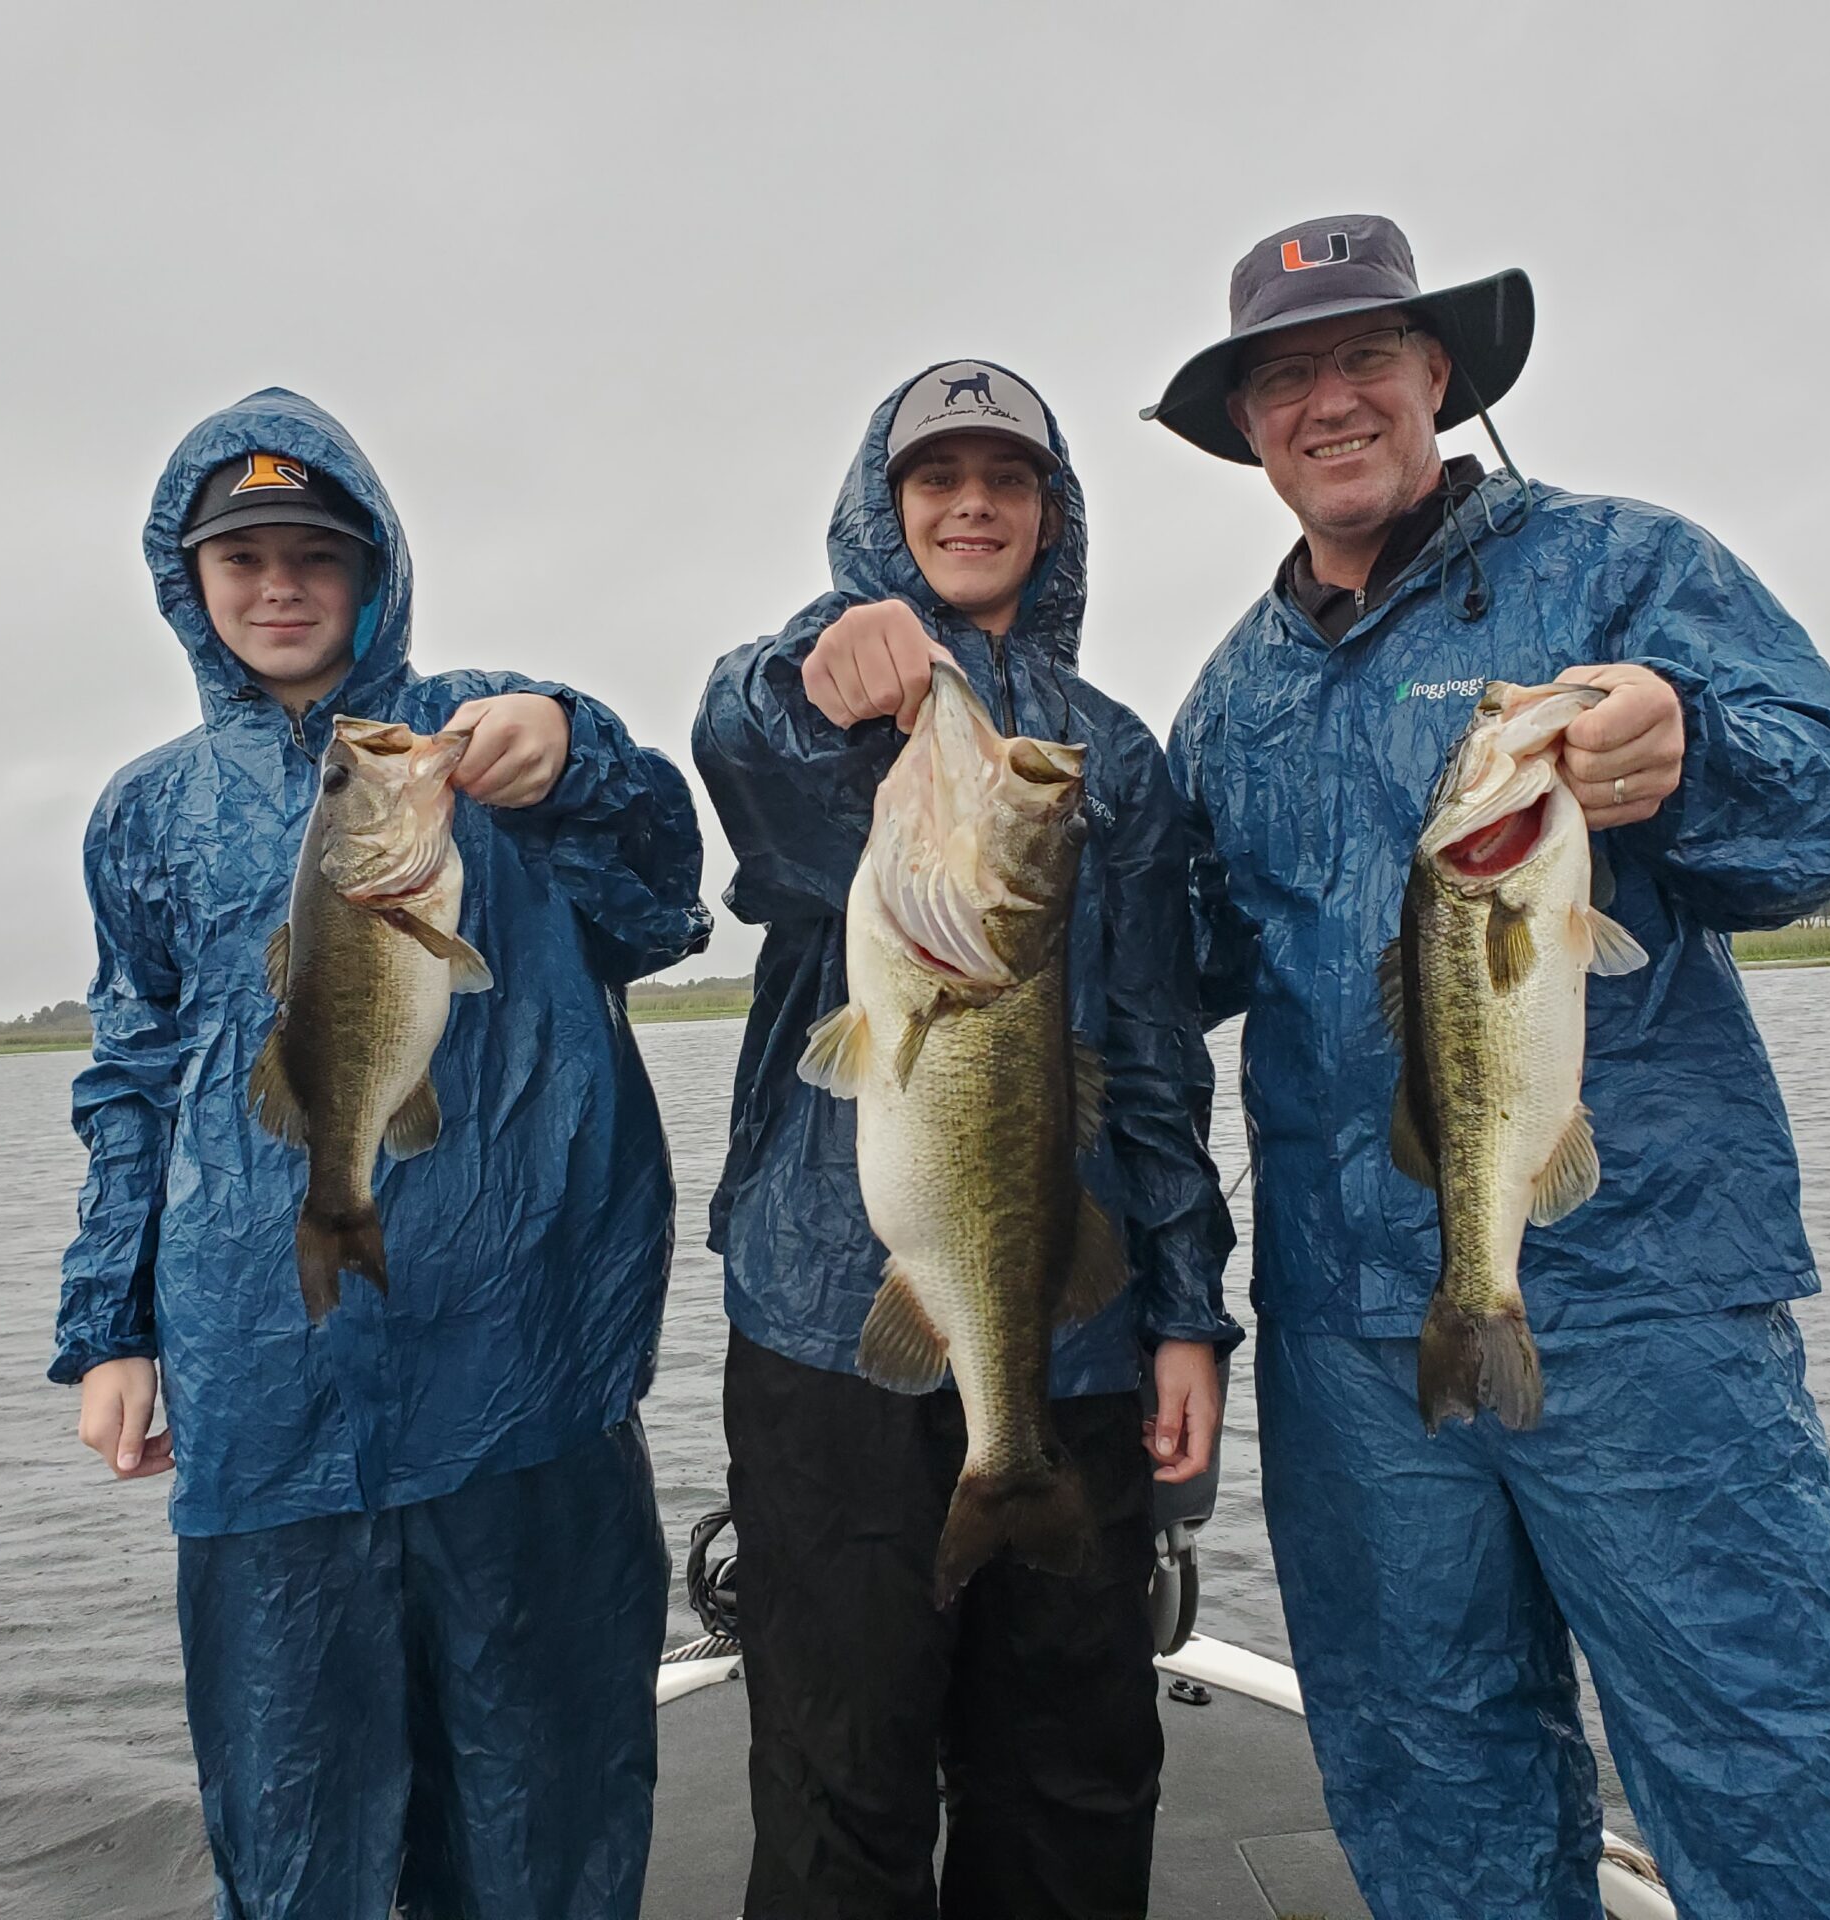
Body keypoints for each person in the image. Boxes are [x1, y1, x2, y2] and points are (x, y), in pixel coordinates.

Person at [1150, 218, 1830, 1919]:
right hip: (1357, 1336)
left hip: (1646, 1299)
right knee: (1428, 1777)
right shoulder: (1229, 699)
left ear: (1441, 375)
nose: (1330, 400)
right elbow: (1162, 992)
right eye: (1287, 376)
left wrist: (1687, 742)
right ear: (1251, 430)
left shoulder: (1628, 570)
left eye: (1366, 357)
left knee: (1753, 1763)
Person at [50, 387, 711, 1919]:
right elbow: (130, 1078)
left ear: (374, 571)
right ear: (191, 586)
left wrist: (586, 752)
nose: (279, 588)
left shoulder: (480, 745)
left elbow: (666, 905)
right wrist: (112, 1332)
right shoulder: (144, 814)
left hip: (521, 1366)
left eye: (313, 556)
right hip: (263, 1380)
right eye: (243, 561)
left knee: (543, 1801)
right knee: (302, 1820)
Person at [692, 360, 1240, 1920]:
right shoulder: (834, 711)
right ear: (888, 508)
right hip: (825, 1331)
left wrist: (1189, 1313)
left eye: (1008, 480)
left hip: (1063, 1345)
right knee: (835, 1763)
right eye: (938, 478)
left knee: (1071, 1773)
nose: (974, 503)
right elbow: (750, 770)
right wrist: (813, 672)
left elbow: (1150, 1060)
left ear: (1052, 520)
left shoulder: (1115, 759)